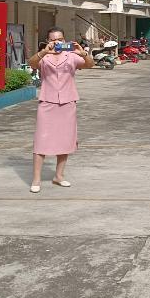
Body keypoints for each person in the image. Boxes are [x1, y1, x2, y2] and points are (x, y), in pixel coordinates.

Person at [29, 27, 94, 193]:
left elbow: (90, 65)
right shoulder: (44, 57)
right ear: (48, 41)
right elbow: (32, 63)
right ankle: (36, 179)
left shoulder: (71, 56)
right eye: (52, 39)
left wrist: (83, 53)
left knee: (65, 140)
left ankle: (59, 175)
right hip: (47, 101)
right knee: (41, 141)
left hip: (67, 101)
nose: (56, 42)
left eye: (59, 39)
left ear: (65, 40)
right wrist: (44, 52)